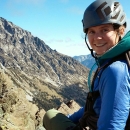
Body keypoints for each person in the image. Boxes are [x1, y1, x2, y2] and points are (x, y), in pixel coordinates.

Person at [43, 0, 130, 129]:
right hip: (91, 122)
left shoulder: (115, 70)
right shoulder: (112, 61)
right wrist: (71, 120)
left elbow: (112, 126)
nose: (97, 38)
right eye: (92, 32)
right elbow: (95, 103)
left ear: (120, 31)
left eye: (104, 29)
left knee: (49, 115)